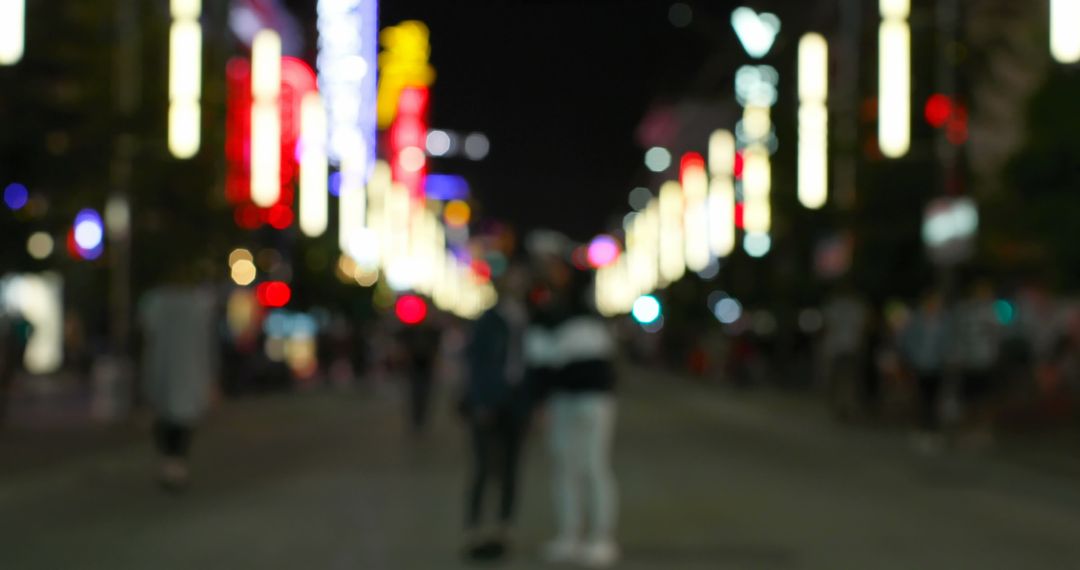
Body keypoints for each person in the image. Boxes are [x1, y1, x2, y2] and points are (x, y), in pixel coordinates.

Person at [528, 256, 620, 568]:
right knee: (565, 469)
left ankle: (600, 537)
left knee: (593, 466)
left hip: (592, 401)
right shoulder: (547, 314)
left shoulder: (585, 315)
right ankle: (570, 535)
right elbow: (539, 364)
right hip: (562, 401)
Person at [459, 264, 532, 561]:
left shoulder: (529, 319)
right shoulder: (488, 320)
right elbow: (477, 364)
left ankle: (504, 526)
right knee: (483, 467)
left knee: (512, 468)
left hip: (517, 404)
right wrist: (480, 401)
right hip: (490, 402)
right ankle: (475, 527)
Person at [139, 275, 218, 491]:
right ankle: (174, 463)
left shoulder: (159, 303)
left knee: (171, 416)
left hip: (170, 367)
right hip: (183, 369)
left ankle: (172, 463)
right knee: (178, 417)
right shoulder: (198, 304)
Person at [900, 291, 952, 453]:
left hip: (937, 366)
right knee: (920, 397)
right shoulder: (917, 320)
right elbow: (907, 339)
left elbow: (950, 341)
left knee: (934, 398)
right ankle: (920, 428)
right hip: (920, 364)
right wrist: (910, 358)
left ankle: (933, 430)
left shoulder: (945, 320)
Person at [396, 315, 442, 434]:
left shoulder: (432, 331)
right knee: (415, 394)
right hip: (415, 368)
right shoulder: (411, 331)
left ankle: (421, 420)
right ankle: (416, 420)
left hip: (426, 368)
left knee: (424, 395)